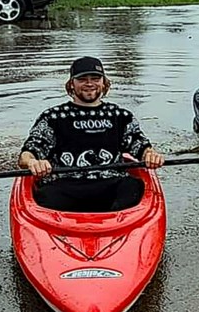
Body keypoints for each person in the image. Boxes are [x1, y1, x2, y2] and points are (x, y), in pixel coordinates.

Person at [18, 56, 165, 212]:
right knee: (46, 195)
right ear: (71, 84)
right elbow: (27, 155)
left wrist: (150, 155)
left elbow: (140, 145)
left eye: (95, 78)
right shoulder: (52, 117)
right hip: (65, 184)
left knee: (133, 187)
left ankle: (114, 225)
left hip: (110, 182)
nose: (89, 83)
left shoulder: (120, 116)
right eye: (82, 79)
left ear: (104, 82)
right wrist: (33, 163)